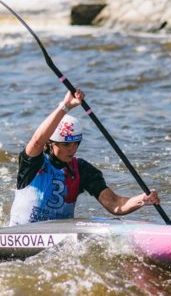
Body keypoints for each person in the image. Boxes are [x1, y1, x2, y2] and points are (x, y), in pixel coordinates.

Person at [9, 89, 160, 226]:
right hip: (21, 233)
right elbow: (36, 141)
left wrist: (141, 200)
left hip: (59, 237)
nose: (72, 150)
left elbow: (114, 204)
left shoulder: (81, 169)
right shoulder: (33, 163)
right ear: (50, 144)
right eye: (66, 145)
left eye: (76, 144)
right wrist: (65, 107)